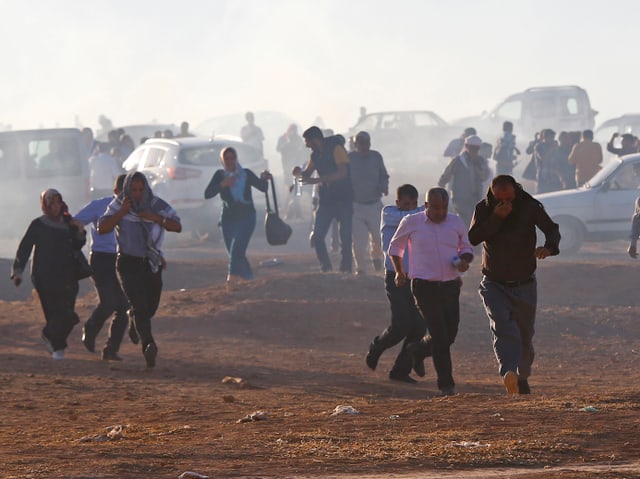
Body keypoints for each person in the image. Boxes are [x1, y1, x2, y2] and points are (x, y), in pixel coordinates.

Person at [468, 175, 560, 394]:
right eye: (499, 199)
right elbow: (473, 237)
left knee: (524, 334)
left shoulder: (529, 207)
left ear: (516, 192)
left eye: (509, 198)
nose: (505, 203)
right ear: (493, 196)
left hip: (525, 283)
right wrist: (497, 217)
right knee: (502, 326)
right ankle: (508, 372)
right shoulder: (484, 209)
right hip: (493, 282)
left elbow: (551, 228)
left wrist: (548, 247)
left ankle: (522, 376)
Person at [388, 187, 473, 396]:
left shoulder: (455, 222)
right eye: (435, 208)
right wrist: (399, 272)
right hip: (424, 287)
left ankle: (417, 350)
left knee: (450, 334)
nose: (440, 212)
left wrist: (464, 261)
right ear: (426, 206)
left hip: (451, 286)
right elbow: (395, 248)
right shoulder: (411, 222)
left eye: (444, 208)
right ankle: (446, 384)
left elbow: (467, 248)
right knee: (440, 336)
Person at [98, 171, 182, 368]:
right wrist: (121, 213)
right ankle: (148, 345)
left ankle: (135, 322)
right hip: (127, 263)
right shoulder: (119, 204)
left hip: (151, 263)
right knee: (140, 306)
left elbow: (177, 226)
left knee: (150, 306)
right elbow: (102, 228)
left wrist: (153, 217)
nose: (137, 194)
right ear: (127, 189)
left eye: (140, 190)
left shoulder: (156, 205)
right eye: (133, 190)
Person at [11, 189, 86, 360]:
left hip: (68, 275)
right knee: (55, 313)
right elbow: (24, 249)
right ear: (44, 205)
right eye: (51, 203)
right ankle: (58, 349)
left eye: (57, 202)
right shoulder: (38, 224)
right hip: (44, 277)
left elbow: (78, 244)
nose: (55, 206)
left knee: (68, 314)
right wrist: (18, 271)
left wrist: (80, 231)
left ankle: (48, 334)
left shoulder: (69, 223)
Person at [365, 184, 426, 383]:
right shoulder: (389, 213)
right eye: (405, 204)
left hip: (417, 278)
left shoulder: (420, 216)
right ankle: (377, 347)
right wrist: (426, 210)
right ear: (397, 202)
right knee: (401, 325)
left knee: (419, 327)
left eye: (413, 204)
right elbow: (410, 218)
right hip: (395, 277)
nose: (409, 208)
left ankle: (400, 370)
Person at [74, 174, 130, 361]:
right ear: (115, 191)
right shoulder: (101, 205)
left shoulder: (135, 209)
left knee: (123, 306)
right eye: (124, 191)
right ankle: (90, 329)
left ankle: (110, 349)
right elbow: (76, 222)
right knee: (109, 302)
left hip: (121, 259)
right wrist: (78, 240)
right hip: (101, 258)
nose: (128, 195)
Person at [204, 147, 272, 283]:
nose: (230, 161)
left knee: (237, 247)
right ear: (222, 161)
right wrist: (223, 184)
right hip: (228, 217)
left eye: (232, 158)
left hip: (246, 215)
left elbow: (262, 187)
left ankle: (232, 278)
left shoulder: (245, 174)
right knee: (234, 251)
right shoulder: (220, 175)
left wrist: (265, 179)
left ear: (236, 159)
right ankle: (248, 278)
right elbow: (208, 194)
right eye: (226, 159)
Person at [293, 126, 353, 273]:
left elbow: (343, 173)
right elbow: (306, 175)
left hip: (344, 198)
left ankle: (346, 269)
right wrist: (298, 174)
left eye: (307, 141)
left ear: (315, 139)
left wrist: (320, 179)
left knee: (345, 238)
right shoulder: (315, 156)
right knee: (318, 236)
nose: (307, 145)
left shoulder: (336, 149)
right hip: (326, 200)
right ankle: (325, 267)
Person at [348, 131, 389, 275]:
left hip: (374, 204)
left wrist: (384, 185)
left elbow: (384, 175)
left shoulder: (376, 157)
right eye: (361, 143)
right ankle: (361, 269)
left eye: (367, 143)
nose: (365, 146)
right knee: (359, 242)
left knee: (379, 237)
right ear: (355, 144)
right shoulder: (349, 159)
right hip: (356, 206)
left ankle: (376, 256)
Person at [438, 134, 491, 227]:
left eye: (476, 148)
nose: (474, 150)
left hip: (476, 197)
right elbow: (445, 176)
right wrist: (440, 191)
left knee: (474, 220)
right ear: (466, 146)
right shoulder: (458, 160)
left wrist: (479, 167)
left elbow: (485, 177)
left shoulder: (481, 161)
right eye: (472, 147)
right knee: (465, 221)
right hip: (460, 198)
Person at [276, 124, 306, 220]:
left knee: (297, 190)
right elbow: (278, 148)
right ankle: (294, 211)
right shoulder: (283, 138)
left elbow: (302, 151)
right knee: (292, 189)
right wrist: (288, 143)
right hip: (287, 168)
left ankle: (291, 211)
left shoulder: (298, 139)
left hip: (297, 167)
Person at [534, 129, 563, 193]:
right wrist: (552, 148)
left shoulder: (555, 147)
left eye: (553, 137)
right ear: (545, 137)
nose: (552, 139)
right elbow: (543, 159)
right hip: (543, 177)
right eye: (551, 137)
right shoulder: (539, 146)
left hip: (553, 178)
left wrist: (561, 176)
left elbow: (557, 162)